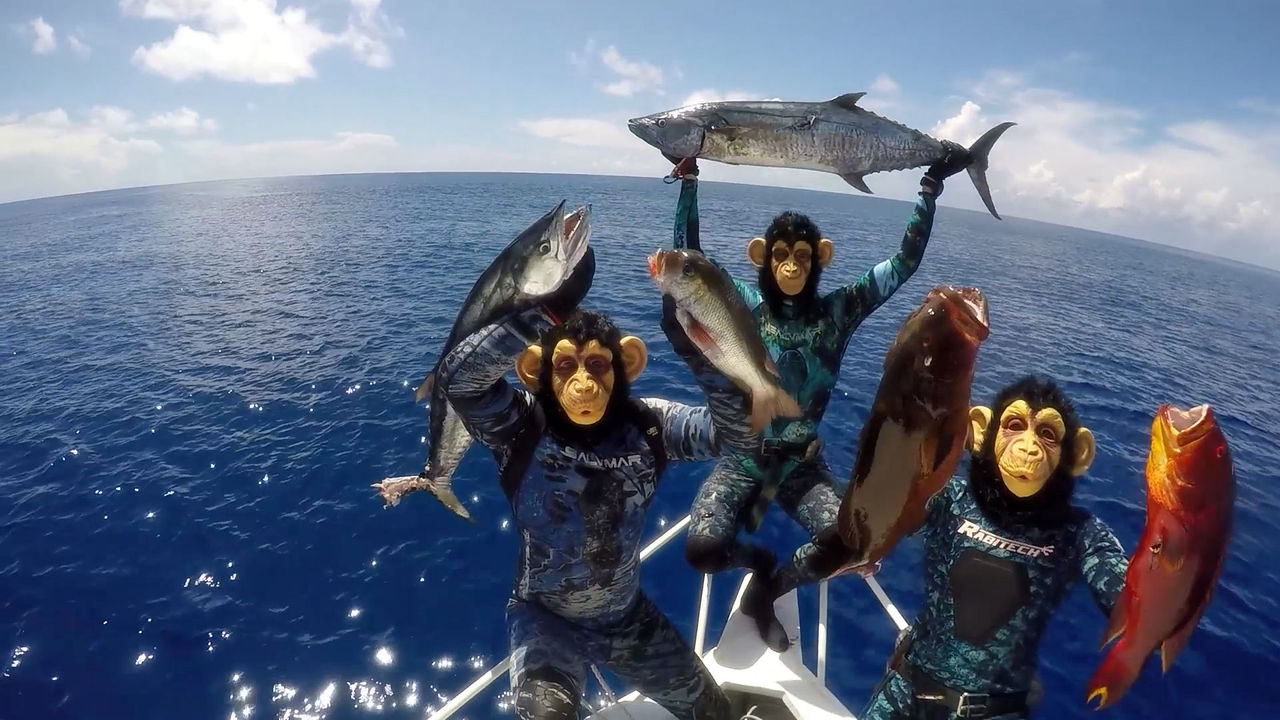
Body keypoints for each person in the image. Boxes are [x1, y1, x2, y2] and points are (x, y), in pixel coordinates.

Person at [668, 148, 972, 651]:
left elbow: (903, 266)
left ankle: (769, 591)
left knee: (848, 544)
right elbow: (690, 268)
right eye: (782, 254)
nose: (791, 265)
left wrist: (929, 190)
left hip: (801, 467)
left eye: (802, 255)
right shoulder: (746, 305)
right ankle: (759, 562)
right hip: (744, 459)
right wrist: (689, 184)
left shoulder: (838, 311)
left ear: (818, 258)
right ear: (764, 257)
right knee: (703, 551)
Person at [435, 260, 755, 720]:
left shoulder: (650, 426)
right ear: (539, 372)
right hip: (545, 621)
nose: (583, 383)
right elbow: (458, 380)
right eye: (565, 366)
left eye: (597, 365)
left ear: (624, 365)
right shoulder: (521, 426)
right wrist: (546, 313)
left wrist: (701, 354)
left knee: (715, 714)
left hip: (628, 619)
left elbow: (739, 433)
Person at [860, 376, 1128, 720]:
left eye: (1047, 434)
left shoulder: (1079, 532)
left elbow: (1128, 596)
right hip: (906, 692)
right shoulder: (951, 498)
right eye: (1014, 425)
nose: (1029, 447)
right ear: (983, 430)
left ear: (1075, 453)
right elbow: (877, 519)